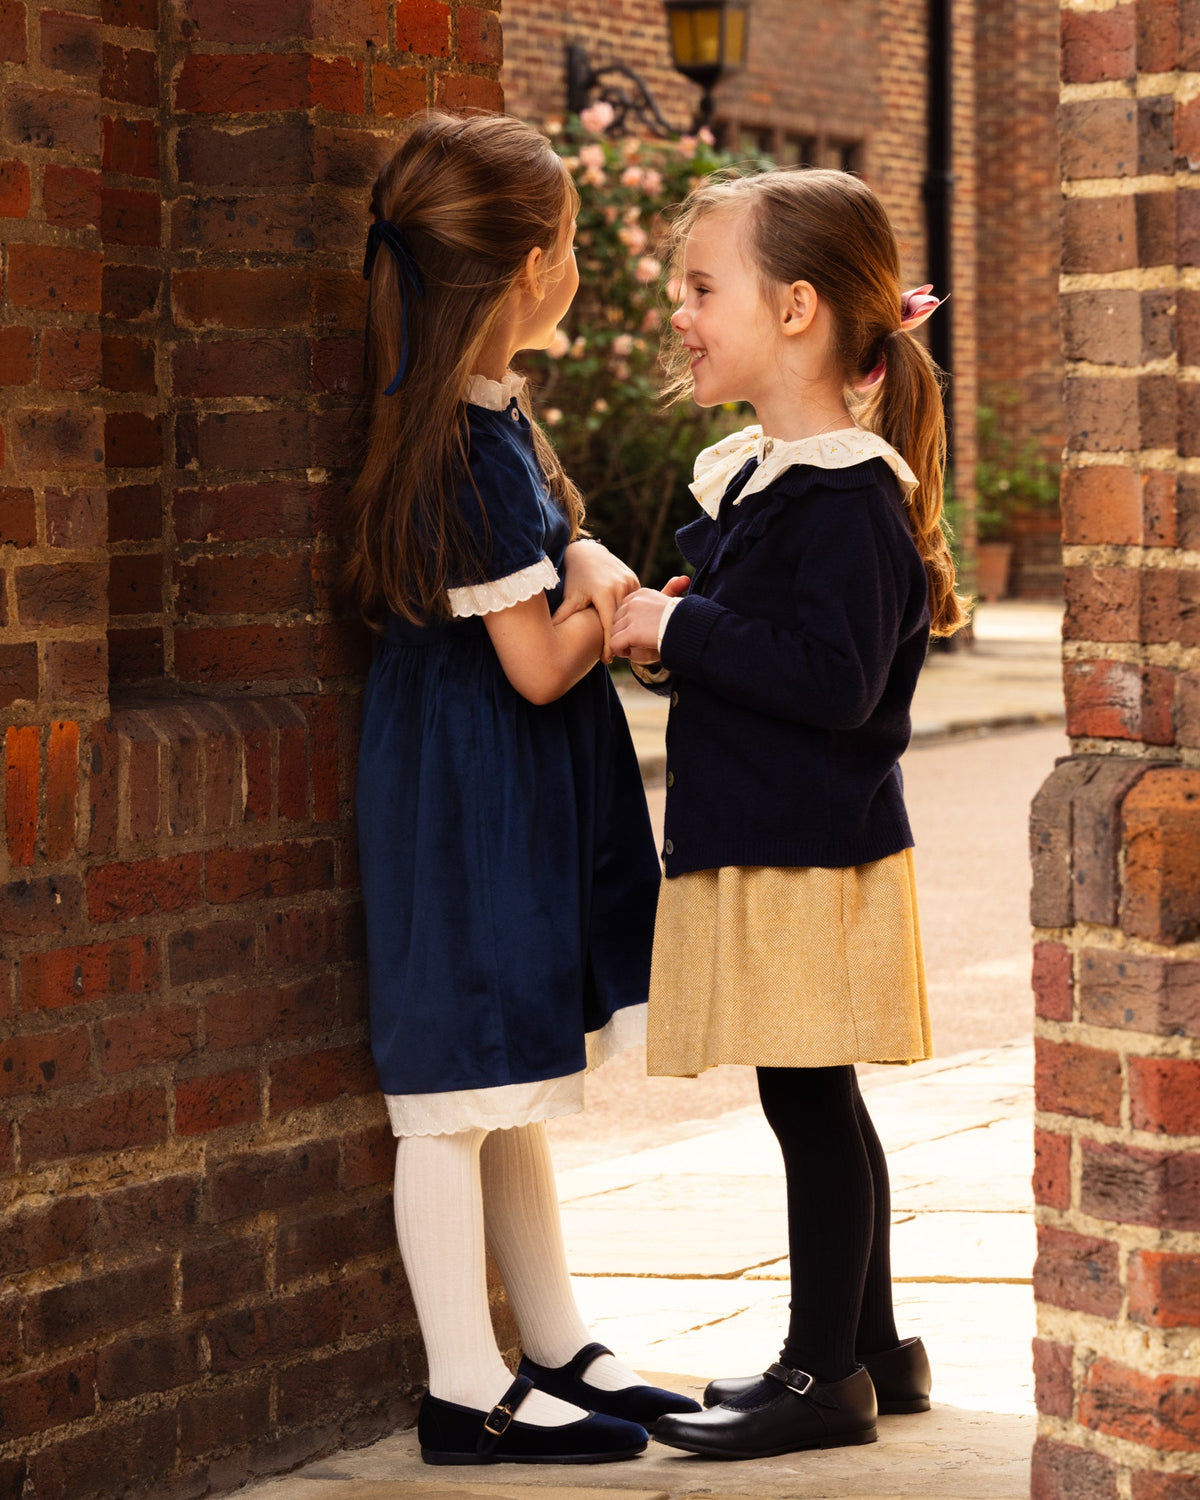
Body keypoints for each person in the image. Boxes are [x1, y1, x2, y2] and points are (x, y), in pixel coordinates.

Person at [343, 112, 699, 1468]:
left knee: (508, 1084)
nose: (577, 273)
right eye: (567, 250)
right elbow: (542, 665)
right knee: (452, 1096)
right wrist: (607, 601)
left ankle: (556, 1345)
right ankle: (462, 1386)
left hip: (486, 782)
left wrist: (595, 563)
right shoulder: (461, 447)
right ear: (528, 270)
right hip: (466, 796)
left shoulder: (481, 419)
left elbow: (552, 577)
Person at [610, 166, 968, 1460]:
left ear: (800, 308)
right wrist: (674, 632)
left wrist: (682, 626)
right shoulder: (773, 480)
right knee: (814, 1095)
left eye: (703, 289)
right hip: (779, 835)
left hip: (806, 848)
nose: (684, 316)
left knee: (809, 1099)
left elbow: (834, 677)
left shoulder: (846, 494)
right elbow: (766, 642)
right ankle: (874, 1347)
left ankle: (823, 1376)